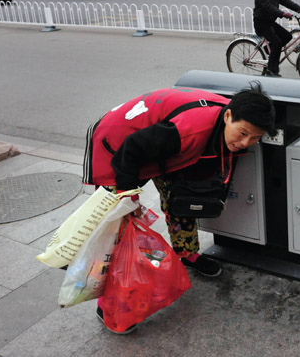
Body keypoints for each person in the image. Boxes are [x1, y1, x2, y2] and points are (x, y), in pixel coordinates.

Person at [83, 83, 276, 333]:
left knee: (182, 201)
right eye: (242, 134)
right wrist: (127, 196)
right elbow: (130, 151)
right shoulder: (190, 131)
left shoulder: (225, 120)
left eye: (255, 138)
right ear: (228, 116)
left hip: (158, 148)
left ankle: (186, 253)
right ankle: (106, 303)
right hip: (117, 145)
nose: (246, 142)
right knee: (117, 230)